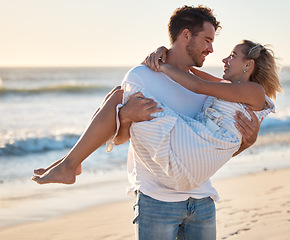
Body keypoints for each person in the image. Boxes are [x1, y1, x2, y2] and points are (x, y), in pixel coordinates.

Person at [32, 5, 263, 239]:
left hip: (202, 201)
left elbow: (210, 148)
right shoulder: (141, 76)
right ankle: (70, 163)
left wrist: (246, 143)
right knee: (119, 97)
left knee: (117, 97)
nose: (212, 49)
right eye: (207, 40)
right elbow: (120, 139)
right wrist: (125, 117)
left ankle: (70, 163)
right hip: (156, 202)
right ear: (185, 36)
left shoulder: (211, 91)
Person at [119, 39, 281, 191]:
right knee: (125, 102)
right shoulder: (231, 89)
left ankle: (100, 141)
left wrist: (161, 67)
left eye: (232, 56)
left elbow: (198, 85)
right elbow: (188, 71)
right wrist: (165, 53)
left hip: (199, 153)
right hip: (196, 157)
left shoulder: (254, 91)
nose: (224, 60)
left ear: (249, 64)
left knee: (129, 100)